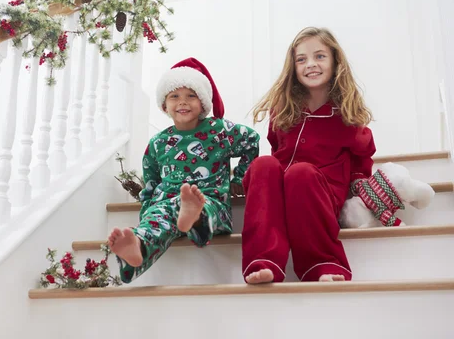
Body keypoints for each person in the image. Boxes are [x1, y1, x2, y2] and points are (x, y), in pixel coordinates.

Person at [108, 57, 260, 283]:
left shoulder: (219, 130)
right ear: (164, 105)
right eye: (174, 96)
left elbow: (251, 141)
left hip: (211, 200)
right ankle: (137, 248)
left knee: (202, 206)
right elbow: (150, 184)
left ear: (204, 103)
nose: (183, 102)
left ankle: (194, 216)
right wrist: (147, 212)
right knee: (158, 215)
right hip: (168, 203)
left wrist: (240, 178)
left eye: (191, 95)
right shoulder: (158, 143)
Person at [242, 27, 375, 284]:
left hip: (318, 192)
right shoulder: (283, 110)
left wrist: (359, 183)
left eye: (319, 56)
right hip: (282, 190)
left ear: (335, 61)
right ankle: (265, 260)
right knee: (263, 164)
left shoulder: (346, 114)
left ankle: (322, 264)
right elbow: (275, 146)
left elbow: (363, 153)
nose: (310, 64)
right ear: (293, 67)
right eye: (301, 59)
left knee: (299, 173)